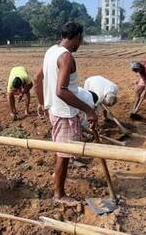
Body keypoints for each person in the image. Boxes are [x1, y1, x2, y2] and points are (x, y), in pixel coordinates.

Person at [34, 22, 97, 206]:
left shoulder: (51, 51)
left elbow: (38, 78)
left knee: (62, 151)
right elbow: (62, 91)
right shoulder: (66, 57)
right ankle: (59, 194)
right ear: (77, 37)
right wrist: (89, 110)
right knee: (63, 154)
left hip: (55, 110)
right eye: (81, 39)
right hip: (65, 113)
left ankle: (57, 176)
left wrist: (42, 103)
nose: (80, 43)